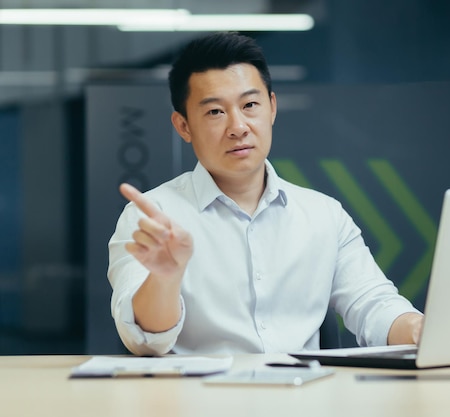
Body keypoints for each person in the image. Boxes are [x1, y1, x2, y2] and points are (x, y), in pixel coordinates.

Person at [108, 31, 424, 356]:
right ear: (183, 126)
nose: (238, 126)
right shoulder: (152, 218)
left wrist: (419, 329)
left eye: (250, 105)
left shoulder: (323, 215)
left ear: (271, 108)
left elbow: (373, 304)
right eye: (215, 111)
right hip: (199, 402)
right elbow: (143, 340)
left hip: (302, 400)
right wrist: (166, 278)